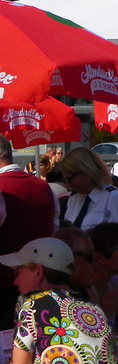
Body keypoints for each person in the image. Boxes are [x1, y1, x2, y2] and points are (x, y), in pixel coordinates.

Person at [2, 237, 118, 364]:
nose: (15, 281)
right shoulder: (91, 306)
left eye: (18, 272)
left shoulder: (32, 304)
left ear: (38, 271)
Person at [0, 134, 57, 327]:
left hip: (5, 283)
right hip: (40, 281)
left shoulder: (2, 188)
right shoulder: (45, 188)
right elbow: (53, 230)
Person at [60, 148, 118, 230]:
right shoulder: (74, 198)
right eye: (65, 180)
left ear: (87, 172)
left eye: (70, 179)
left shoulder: (114, 198)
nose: (68, 185)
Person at [87, 222, 118, 334]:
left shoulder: (113, 289)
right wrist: (106, 312)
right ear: (100, 257)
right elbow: (89, 333)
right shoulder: (86, 290)